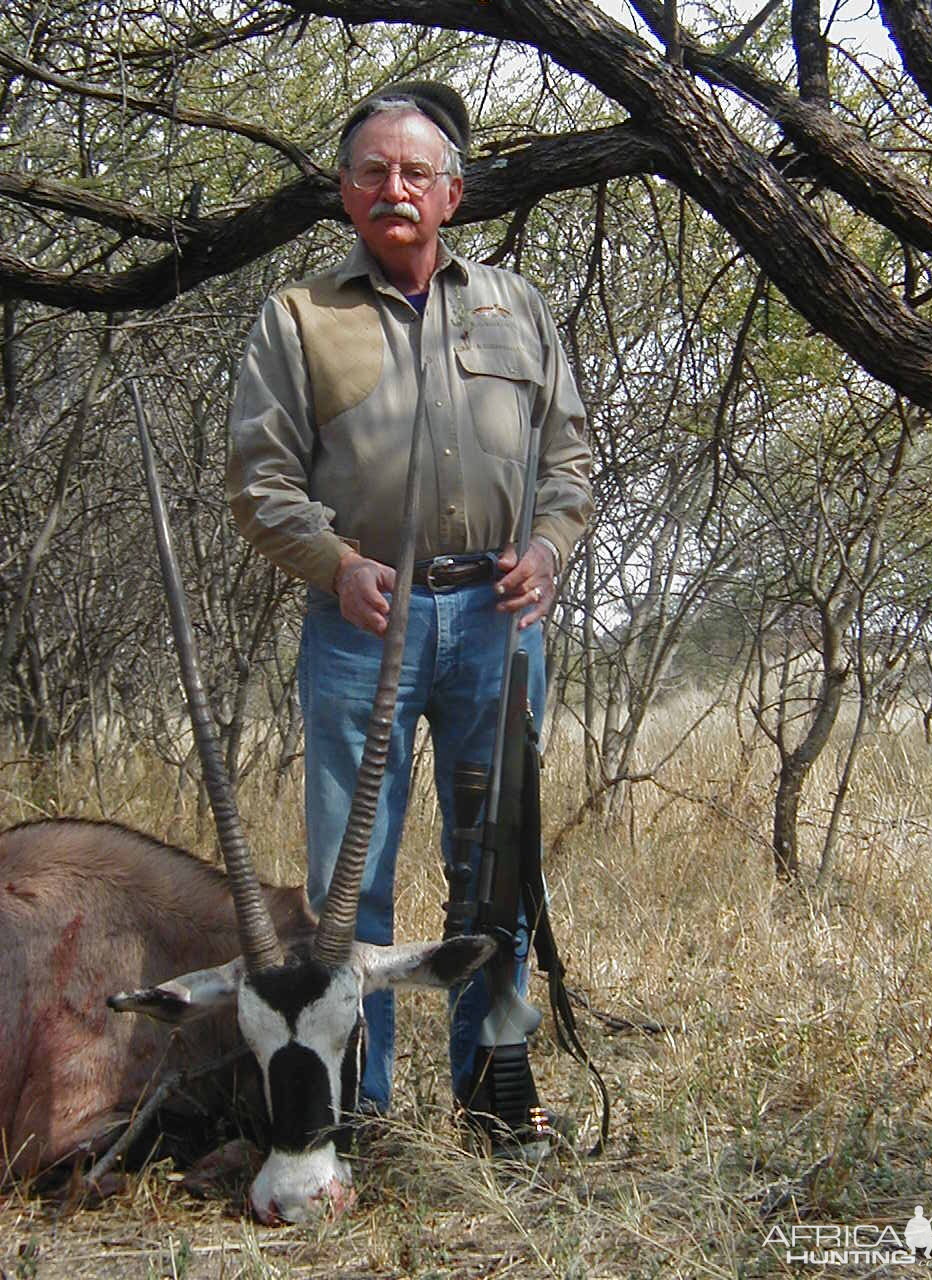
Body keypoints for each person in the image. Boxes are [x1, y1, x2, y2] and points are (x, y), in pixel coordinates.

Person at [226, 81, 593, 1122]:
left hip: (497, 619)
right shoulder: (296, 317)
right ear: (346, 193)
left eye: (416, 172)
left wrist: (551, 547)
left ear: (453, 194)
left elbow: (570, 461)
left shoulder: (518, 305)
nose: (396, 187)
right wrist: (336, 563)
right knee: (354, 881)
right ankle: (360, 1106)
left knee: (497, 868)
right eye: (374, 171)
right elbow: (260, 484)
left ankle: (494, 1093)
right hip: (361, 621)